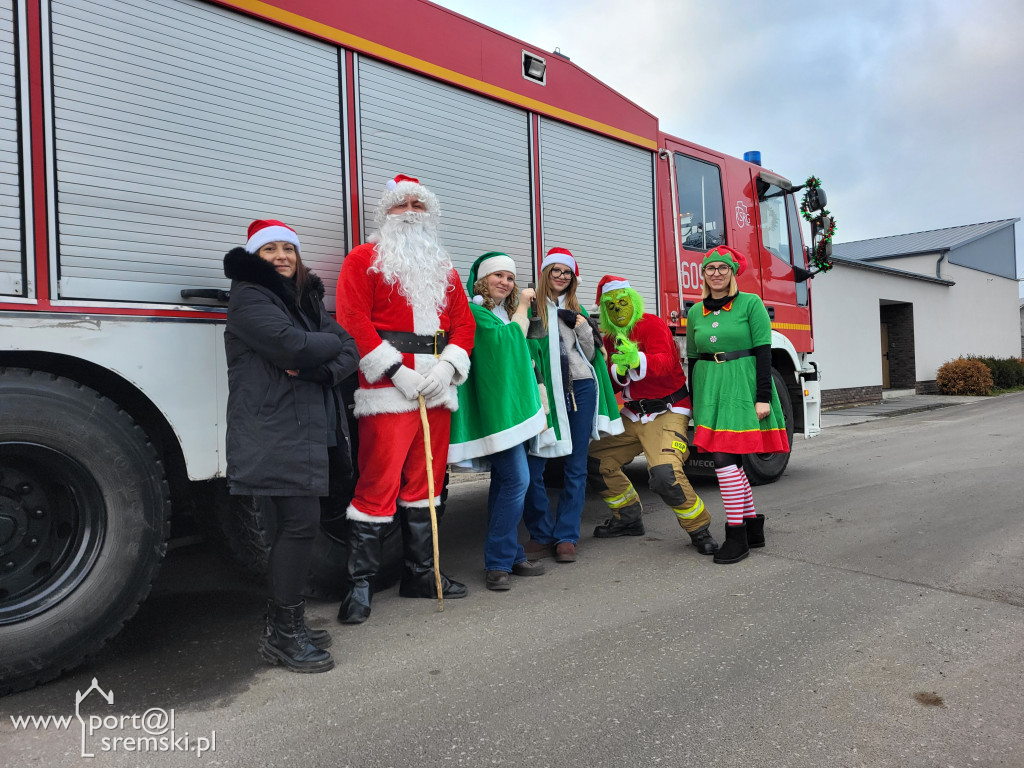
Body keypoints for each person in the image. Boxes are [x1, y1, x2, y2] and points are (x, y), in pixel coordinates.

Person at [335, 174, 475, 623]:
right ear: (386, 212)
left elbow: (464, 326)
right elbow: (352, 318)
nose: (411, 211)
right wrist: (395, 370)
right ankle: (359, 584)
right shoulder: (363, 259)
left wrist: (448, 368)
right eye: (402, 204)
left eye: (419, 203)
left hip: (436, 386)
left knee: (428, 484)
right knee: (378, 483)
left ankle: (422, 574)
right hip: (387, 389)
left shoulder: (444, 266)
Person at [224, 219, 359, 673]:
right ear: (255, 257)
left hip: (302, 426)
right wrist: (321, 346)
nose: (282, 256)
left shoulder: (303, 300)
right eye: (270, 250)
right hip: (274, 428)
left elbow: (349, 350)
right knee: (299, 525)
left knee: (297, 525)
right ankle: (284, 634)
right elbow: (290, 345)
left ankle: (285, 622)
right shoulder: (249, 296)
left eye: (289, 249)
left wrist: (319, 362)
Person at [587, 275, 719, 555]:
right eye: (611, 306)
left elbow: (664, 362)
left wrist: (637, 360)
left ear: (632, 301)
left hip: (667, 410)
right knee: (595, 462)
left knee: (664, 474)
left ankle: (699, 529)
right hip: (634, 413)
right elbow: (612, 385)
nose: (618, 310)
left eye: (622, 303)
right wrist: (617, 371)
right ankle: (628, 518)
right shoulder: (609, 336)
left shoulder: (652, 324)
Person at [448, 253, 549, 591]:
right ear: (482, 280)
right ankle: (498, 562)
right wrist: (522, 305)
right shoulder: (476, 311)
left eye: (510, 277)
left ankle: (508, 554)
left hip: (507, 411)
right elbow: (510, 343)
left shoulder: (495, 312)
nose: (505, 282)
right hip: (495, 416)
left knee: (506, 484)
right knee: (517, 480)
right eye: (498, 276)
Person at [686, 245, 790, 564]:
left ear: (732, 272)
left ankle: (736, 536)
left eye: (722, 268)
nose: (715, 273)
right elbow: (692, 359)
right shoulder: (695, 312)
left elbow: (763, 353)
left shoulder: (750, 303)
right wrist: (695, 401)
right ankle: (752, 527)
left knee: (723, 459)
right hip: (710, 388)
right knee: (731, 460)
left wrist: (763, 397)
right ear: (703, 275)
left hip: (741, 386)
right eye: (710, 269)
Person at [522, 247, 623, 564]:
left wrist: (582, 328)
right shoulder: (530, 310)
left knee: (576, 465)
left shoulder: (578, 310)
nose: (562, 277)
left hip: (581, 388)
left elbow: (593, 357)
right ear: (545, 274)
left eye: (567, 273)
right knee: (534, 463)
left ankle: (566, 536)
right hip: (545, 392)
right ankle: (541, 533)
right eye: (556, 271)